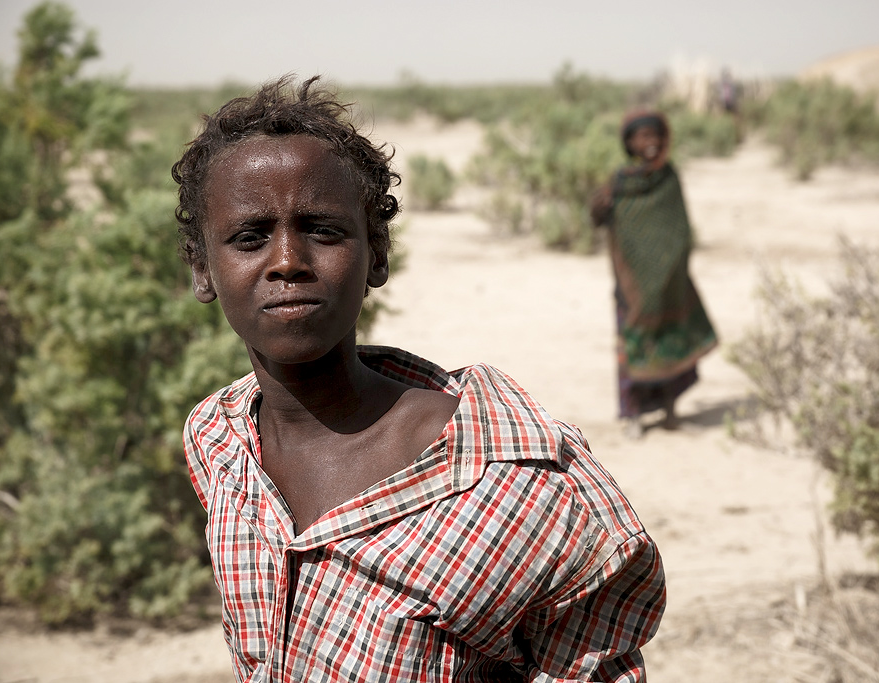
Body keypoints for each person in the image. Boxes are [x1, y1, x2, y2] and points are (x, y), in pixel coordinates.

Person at [173, 75, 665, 682]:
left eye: (323, 230)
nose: (287, 262)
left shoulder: (514, 488)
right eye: (250, 238)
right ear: (202, 270)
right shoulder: (220, 445)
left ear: (377, 253)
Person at [591, 111, 718, 439]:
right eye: (643, 136)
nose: (651, 143)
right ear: (629, 142)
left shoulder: (669, 177)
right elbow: (598, 218)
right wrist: (600, 206)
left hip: (671, 279)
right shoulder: (619, 182)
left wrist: (673, 264)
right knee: (634, 344)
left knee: (670, 341)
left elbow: (678, 227)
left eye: (656, 136)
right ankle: (633, 415)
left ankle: (669, 410)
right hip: (631, 283)